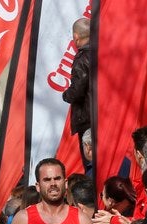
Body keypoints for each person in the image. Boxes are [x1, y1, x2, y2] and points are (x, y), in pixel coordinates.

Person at [62, 17, 92, 168]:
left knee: (91, 163)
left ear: (76, 37)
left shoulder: (82, 57)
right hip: (105, 116)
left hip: (87, 118)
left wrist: (66, 95)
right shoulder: (105, 53)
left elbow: (78, 89)